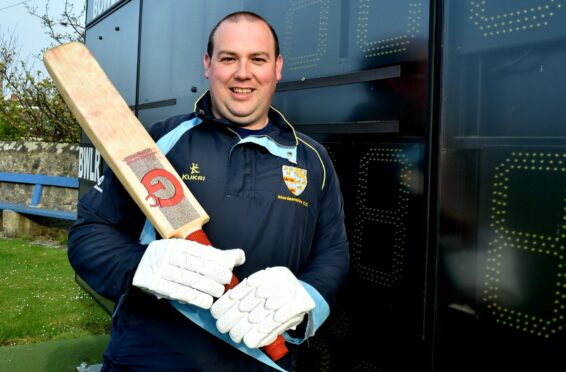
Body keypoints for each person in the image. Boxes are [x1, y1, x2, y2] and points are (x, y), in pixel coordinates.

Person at [68, 11, 349, 371]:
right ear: (208, 64)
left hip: (264, 360)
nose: (242, 73)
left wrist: (306, 296)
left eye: (257, 59)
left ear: (277, 67)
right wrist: (140, 265)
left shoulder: (314, 160)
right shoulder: (156, 144)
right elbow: (88, 235)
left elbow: (333, 255)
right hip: (150, 358)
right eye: (228, 58)